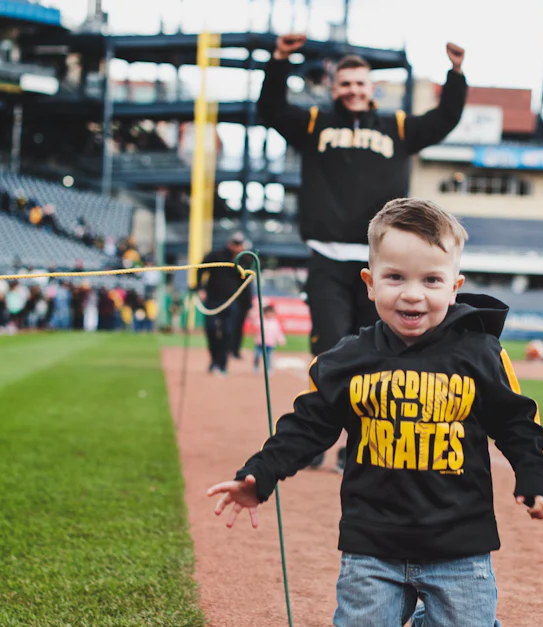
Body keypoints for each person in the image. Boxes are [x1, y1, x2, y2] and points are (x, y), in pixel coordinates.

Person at [207, 198, 543, 627]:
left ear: (454, 287)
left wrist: (535, 476)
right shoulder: (347, 359)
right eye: (395, 278)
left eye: (431, 280)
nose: (413, 294)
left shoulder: (479, 353)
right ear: (370, 284)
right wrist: (258, 476)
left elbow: (518, 422)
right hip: (372, 541)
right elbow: (308, 425)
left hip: (459, 541)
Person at [258, 33, 468, 471]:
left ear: (373, 88)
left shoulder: (398, 128)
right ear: (334, 87)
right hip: (328, 260)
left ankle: (359, 446)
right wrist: (279, 59)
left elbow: (445, 118)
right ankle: (314, 440)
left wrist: (456, 73)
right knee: (332, 351)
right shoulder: (315, 124)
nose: (353, 90)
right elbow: (271, 111)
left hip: (384, 265)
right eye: (345, 83)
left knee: (380, 354)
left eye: (360, 83)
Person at [198, 232, 248, 376]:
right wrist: (200, 288)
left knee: (228, 332)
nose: (237, 247)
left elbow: (246, 283)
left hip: (232, 301)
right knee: (211, 329)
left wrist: (247, 304)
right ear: (229, 243)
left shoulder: (244, 259)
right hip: (213, 298)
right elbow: (201, 268)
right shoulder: (216, 255)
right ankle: (214, 359)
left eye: (239, 244)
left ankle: (222, 363)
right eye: (235, 243)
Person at [250, 303, 286, 373]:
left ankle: (268, 368)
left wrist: (281, 339)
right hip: (260, 343)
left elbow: (278, 332)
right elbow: (255, 325)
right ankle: (256, 366)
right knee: (257, 355)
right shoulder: (261, 321)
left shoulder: (275, 322)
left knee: (268, 357)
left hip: (270, 343)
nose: (269, 315)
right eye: (268, 313)